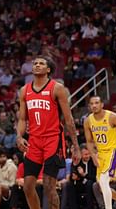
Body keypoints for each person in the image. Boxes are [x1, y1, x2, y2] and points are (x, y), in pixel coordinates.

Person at [16, 56, 81, 209]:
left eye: (41, 63)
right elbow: (22, 119)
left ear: (48, 69)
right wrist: (19, 136)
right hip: (34, 141)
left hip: (53, 140)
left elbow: (69, 119)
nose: (37, 65)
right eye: (35, 63)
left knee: (49, 186)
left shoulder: (57, 88)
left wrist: (76, 146)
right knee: (28, 186)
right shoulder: (24, 90)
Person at [83, 96, 116, 209]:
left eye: (96, 103)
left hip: (114, 150)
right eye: (91, 103)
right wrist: (93, 155)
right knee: (102, 187)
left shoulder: (112, 117)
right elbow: (89, 141)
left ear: (102, 104)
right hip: (101, 154)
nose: (94, 105)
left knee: (103, 180)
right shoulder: (88, 121)